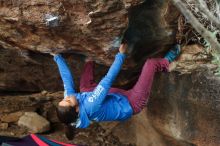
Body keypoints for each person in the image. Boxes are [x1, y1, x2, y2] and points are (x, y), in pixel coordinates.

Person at [53, 43, 181, 140]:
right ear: (76, 109)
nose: (67, 97)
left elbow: (67, 79)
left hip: (117, 97)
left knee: (84, 89)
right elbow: (107, 80)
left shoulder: (72, 102)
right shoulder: (90, 105)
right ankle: (165, 63)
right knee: (150, 64)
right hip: (132, 102)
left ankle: (89, 60)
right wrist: (121, 55)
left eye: (64, 99)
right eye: (68, 101)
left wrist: (57, 57)